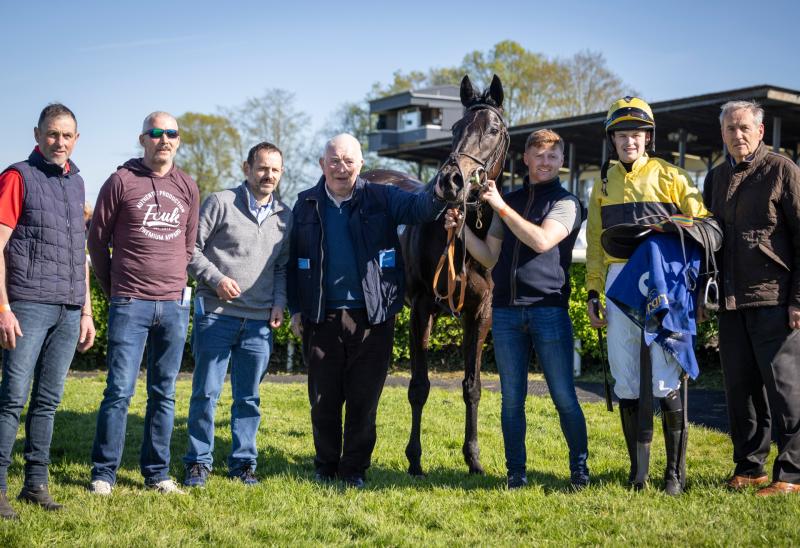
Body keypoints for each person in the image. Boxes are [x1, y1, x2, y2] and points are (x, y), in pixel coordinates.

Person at [288, 133, 447, 488]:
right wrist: (297, 309)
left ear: (361, 164)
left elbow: (422, 208)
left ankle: (354, 469)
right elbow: (292, 262)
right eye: (334, 161)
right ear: (321, 165)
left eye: (348, 161)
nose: (341, 168)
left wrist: (443, 188)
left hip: (373, 317)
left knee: (363, 400)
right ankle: (325, 466)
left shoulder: (383, 197)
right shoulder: (305, 205)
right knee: (323, 399)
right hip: (322, 315)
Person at [444, 129, 589, 490]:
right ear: (525, 159)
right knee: (512, 401)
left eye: (553, 156)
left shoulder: (567, 202)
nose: (545, 161)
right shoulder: (508, 199)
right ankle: (516, 474)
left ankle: (580, 471)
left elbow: (541, 240)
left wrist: (501, 207)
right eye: (538, 155)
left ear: (562, 162)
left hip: (548, 310)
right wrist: (461, 229)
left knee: (564, 398)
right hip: (506, 312)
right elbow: (489, 256)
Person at [586, 97, 709, 495]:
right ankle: (638, 473)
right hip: (619, 279)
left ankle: (674, 473)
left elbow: (702, 222)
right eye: (622, 135)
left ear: (647, 137)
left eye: (636, 134)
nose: (629, 142)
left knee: (663, 372)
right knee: (625, 377)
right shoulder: (601, 184)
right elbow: (592, 245)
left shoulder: (673, 176)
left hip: (662, 279)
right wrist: (592, 291)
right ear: (613, 140)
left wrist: (672, 230)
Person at [87, 111, 199, 495]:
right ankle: (104, 473)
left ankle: (157, 473)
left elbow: (188, 243)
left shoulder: (188, 186)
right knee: (119, 390)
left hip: (173, 306)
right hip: (129, 301)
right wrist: (113, 286)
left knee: (164, 392)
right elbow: (97, 241)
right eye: (156, 133)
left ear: (178, 141)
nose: (163, 139)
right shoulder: (121, 181)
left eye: (171, 133)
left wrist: (175, 283)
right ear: (143, 139)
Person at [0, 104, 96, 519]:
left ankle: (35, 484)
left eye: (67, 135)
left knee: (48, 401)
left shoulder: (77, 183)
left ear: (77, 139)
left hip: (68, 307)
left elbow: (81, 253)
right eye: (53, 134)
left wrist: (87, 310)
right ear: (38, 134)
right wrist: (3, 307)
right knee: (11, 399)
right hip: (27, 304)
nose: (60, 142)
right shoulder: (17, 176)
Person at [703, 100, 800, 497]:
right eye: (730, 129)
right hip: (730, 301)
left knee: (784, 390)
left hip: (775, 299)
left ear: (760, 131)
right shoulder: (714, 178)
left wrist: (798, 299)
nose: (737, 135)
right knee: (740, 390)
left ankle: (791, 474)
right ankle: (749, 466)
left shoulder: (782, 170)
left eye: (744, 127)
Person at [182, 142, 292, 487]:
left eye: (274, 169)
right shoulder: (221, 202)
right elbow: (190, 249)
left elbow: (282, 268)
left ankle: (244, 464)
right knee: (206, 393)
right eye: (262, 168)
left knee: (249, 398)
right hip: (216, 315)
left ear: (281, 173)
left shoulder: (285, 217)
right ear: (247, 168)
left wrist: (279, 302)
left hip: (259, 321)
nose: (268, 175)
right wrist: (216, 280)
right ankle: (198, 462)